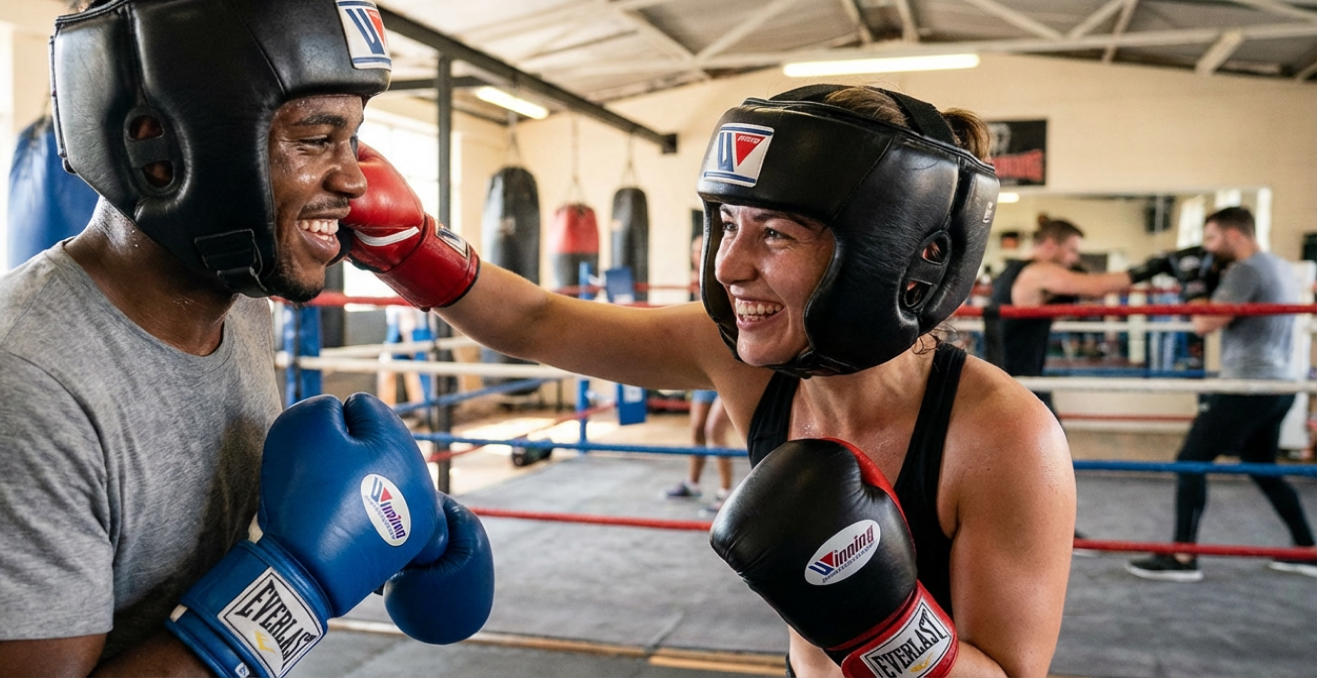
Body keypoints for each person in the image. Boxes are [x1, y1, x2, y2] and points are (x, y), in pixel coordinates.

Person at [343, 84, 1075, 676]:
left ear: (903, 256)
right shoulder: (733, 352)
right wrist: (410, 247)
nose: (729, 265)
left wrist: (884, 626)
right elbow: (538, 322)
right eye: (728, 223)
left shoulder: (1003, 437)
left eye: (777, 234)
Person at [0, 2, 491, 676]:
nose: (353, 179)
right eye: (317, 138)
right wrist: (291, 587)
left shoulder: (241, 308)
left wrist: (375, 524)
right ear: (162, 150)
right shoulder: (6, 390)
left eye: (352, 140)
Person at [1127, 207, 1317, 582]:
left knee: (1190, 460)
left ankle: (1183, 558)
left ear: (1234, 235)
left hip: (1248, 385)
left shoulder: (1246, 270)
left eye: (1213, 238)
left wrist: (1195, 288)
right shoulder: (1276, 265)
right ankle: (1307, 548)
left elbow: (1205, 322)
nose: (1208, 249)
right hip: (1279, 385)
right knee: (1263, 468)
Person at [985, 215, 1182, 416]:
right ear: (1051, 245)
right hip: (1017, 378)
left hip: (1009, 373)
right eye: (1072, 250)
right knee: (1050, 437)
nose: (1074, 258)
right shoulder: (1039, 272)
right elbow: (1097, 287)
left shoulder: (1013, 270)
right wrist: (1153, 268)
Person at [663, 231, 734, 513]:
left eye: (701, 249)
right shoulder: (697, 284)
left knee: (714, 429)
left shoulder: (728, 278)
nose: (697, 255)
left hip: (730, 366)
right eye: (693, 250)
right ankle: (693, 484)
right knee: (696, 428)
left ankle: (728, 492)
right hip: (705, 368)